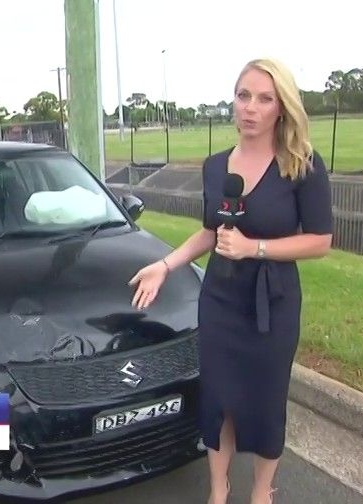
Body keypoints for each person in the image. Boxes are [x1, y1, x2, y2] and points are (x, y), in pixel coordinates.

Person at [128, 58, 333, 504]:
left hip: (273, 302)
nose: (251, 107)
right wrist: (165, 265)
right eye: (244, 96)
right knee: (218, 398)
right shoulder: (216, 167)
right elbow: (211, 232)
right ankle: (218, 488)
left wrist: (253, 248)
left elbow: (320, 241)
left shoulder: (303, 165)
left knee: (266, 400)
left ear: (281, 107)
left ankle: (261, 491)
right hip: (220, 299)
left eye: (264, 98)